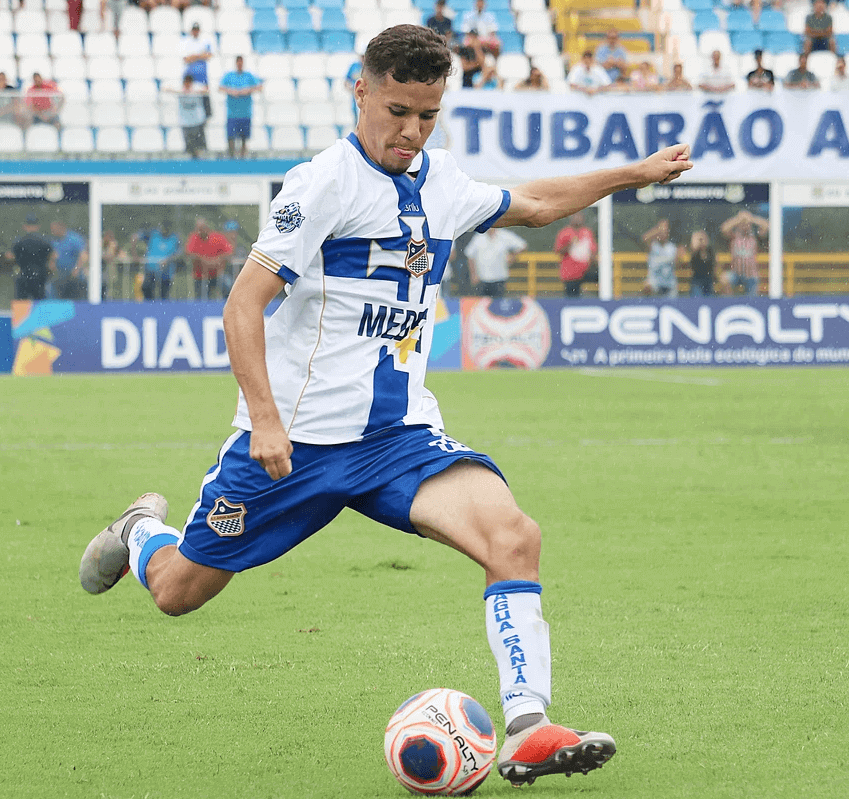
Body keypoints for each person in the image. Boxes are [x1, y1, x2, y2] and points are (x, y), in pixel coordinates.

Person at [78, 24, 692, 790]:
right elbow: (244, 305)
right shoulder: (320, 185)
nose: (411, 130)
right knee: (177, 593)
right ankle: (141, 529)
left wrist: (630, 174)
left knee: (513, 535)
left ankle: (529, 725)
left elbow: (534, 203)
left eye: (427, 115)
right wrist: (264, 418)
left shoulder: (442, 182)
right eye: (398, 110)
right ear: (359, 89)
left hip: (398, 438)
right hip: (293, 445)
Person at [219, 56, 264, 159]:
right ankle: (232, 157)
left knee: (244, 137)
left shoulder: (248, 76)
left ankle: (242, 157)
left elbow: (260, 86)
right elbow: (220, 87)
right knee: (231, 136)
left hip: (245, 112)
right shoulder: (229, 76)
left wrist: (247, 90)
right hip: (232, 112)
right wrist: (231, 91)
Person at [465, 227, 526, 297]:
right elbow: (469, 255)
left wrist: (512, 256)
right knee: (482, 304)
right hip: (482, 278)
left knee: (497, 304)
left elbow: (522, 245)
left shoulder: (504, 235)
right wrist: (473, 274)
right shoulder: (478, 237)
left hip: (499, 278)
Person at [720, 210, 767, 296]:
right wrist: (738, 219)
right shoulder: (734, 236)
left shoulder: (755, 236)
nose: (745, 225)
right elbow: (724, 228)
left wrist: (751, 218)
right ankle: (729, 302)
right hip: (736, 273)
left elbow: (766, 226)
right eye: (743, 223)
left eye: (746, 223)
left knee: (752, 298)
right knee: (724, 279)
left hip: (751, 274)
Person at [186, 217, 232, 300]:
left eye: (202, 228)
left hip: (217, 274)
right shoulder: (194, 238)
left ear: (207, 227)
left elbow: (228, 252)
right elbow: (189, 253)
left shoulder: (217, 237)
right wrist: (203, 260)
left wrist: (217, 260)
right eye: (199, 229)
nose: (201, 231)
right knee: (201, 300)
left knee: (229, 287)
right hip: (200, 276)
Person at [12, 214, 54, 301]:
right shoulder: (45, 241)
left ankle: (22, 314)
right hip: (40, 275)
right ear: (38, 226)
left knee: (22, 303)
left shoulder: (19, 241)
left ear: (25, 226)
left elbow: (12, 257)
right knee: (39, 302)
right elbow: (53, 257)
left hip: (23, 274)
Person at [554, 212, 596, 297]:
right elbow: (558, 251)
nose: (578, 219)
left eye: (579, 216)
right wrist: (570, 244)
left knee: (603, 278)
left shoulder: (587, 232)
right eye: (575, 217)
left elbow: (592, 250)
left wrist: (593, 261)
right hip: (571, 273)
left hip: (586, 270)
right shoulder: (564, 233)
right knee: (572, 298)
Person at [140, 220, 181, 301]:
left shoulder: (175, 238)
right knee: (146, 289)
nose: (164, 230)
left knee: (164, 295)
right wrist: (136, 256)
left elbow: (179, 253)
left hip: (166, 272)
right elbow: (136, 237)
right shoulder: (153, 234)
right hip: (151, 270)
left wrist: (168, 260)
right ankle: (149, 309)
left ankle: (162, 311)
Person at [181, 22, 214, 119]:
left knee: (204, 99)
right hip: (191, 76)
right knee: (192, 101)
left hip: (202, 76)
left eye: (197, 30)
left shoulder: (204, 41)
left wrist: (194, 56)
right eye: (194, 30)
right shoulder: (186, 42)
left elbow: (208, 55)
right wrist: (200, 56)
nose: (195, 32)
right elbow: (186, 58)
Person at [642, 218, 681, 297]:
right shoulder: (653, 245)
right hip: (655, 284)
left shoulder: (672, 247)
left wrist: (679, 257)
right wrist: (657, 230)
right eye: (661, 230)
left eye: (665, 230)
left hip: (669, 284)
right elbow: (644, 238)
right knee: (647, 286)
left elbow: (677, 266)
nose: (663, 232)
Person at [49, 220, 88, 300]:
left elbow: (83, 255)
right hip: (60, 276)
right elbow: (53, 255)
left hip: (74, 276)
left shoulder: (74, 239)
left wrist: (76, 269)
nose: (52, 231)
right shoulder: (54, 240)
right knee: (59, 300)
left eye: (54, 228)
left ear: (61, 227)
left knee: (76, 300)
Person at [176, 75, 208, 159]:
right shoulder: (180, 90)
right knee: (189, 146)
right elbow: (165, 89)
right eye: (186, 82)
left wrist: (192, 91)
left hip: (197, 121)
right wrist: (183, 92)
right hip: (185, 122)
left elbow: (206, 90)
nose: (187, 84)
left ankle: (200, 159)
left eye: (189, 82)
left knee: (200, 145)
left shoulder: (197, 89)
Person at [686, 230, 716, 297]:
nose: (702, 242)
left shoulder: (710, 251)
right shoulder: (695, 253)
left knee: (709, 299)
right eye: (700, 240)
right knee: (696, 298)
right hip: (697, 281)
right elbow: (693, 248)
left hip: (708, 281)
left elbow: (713, 266)